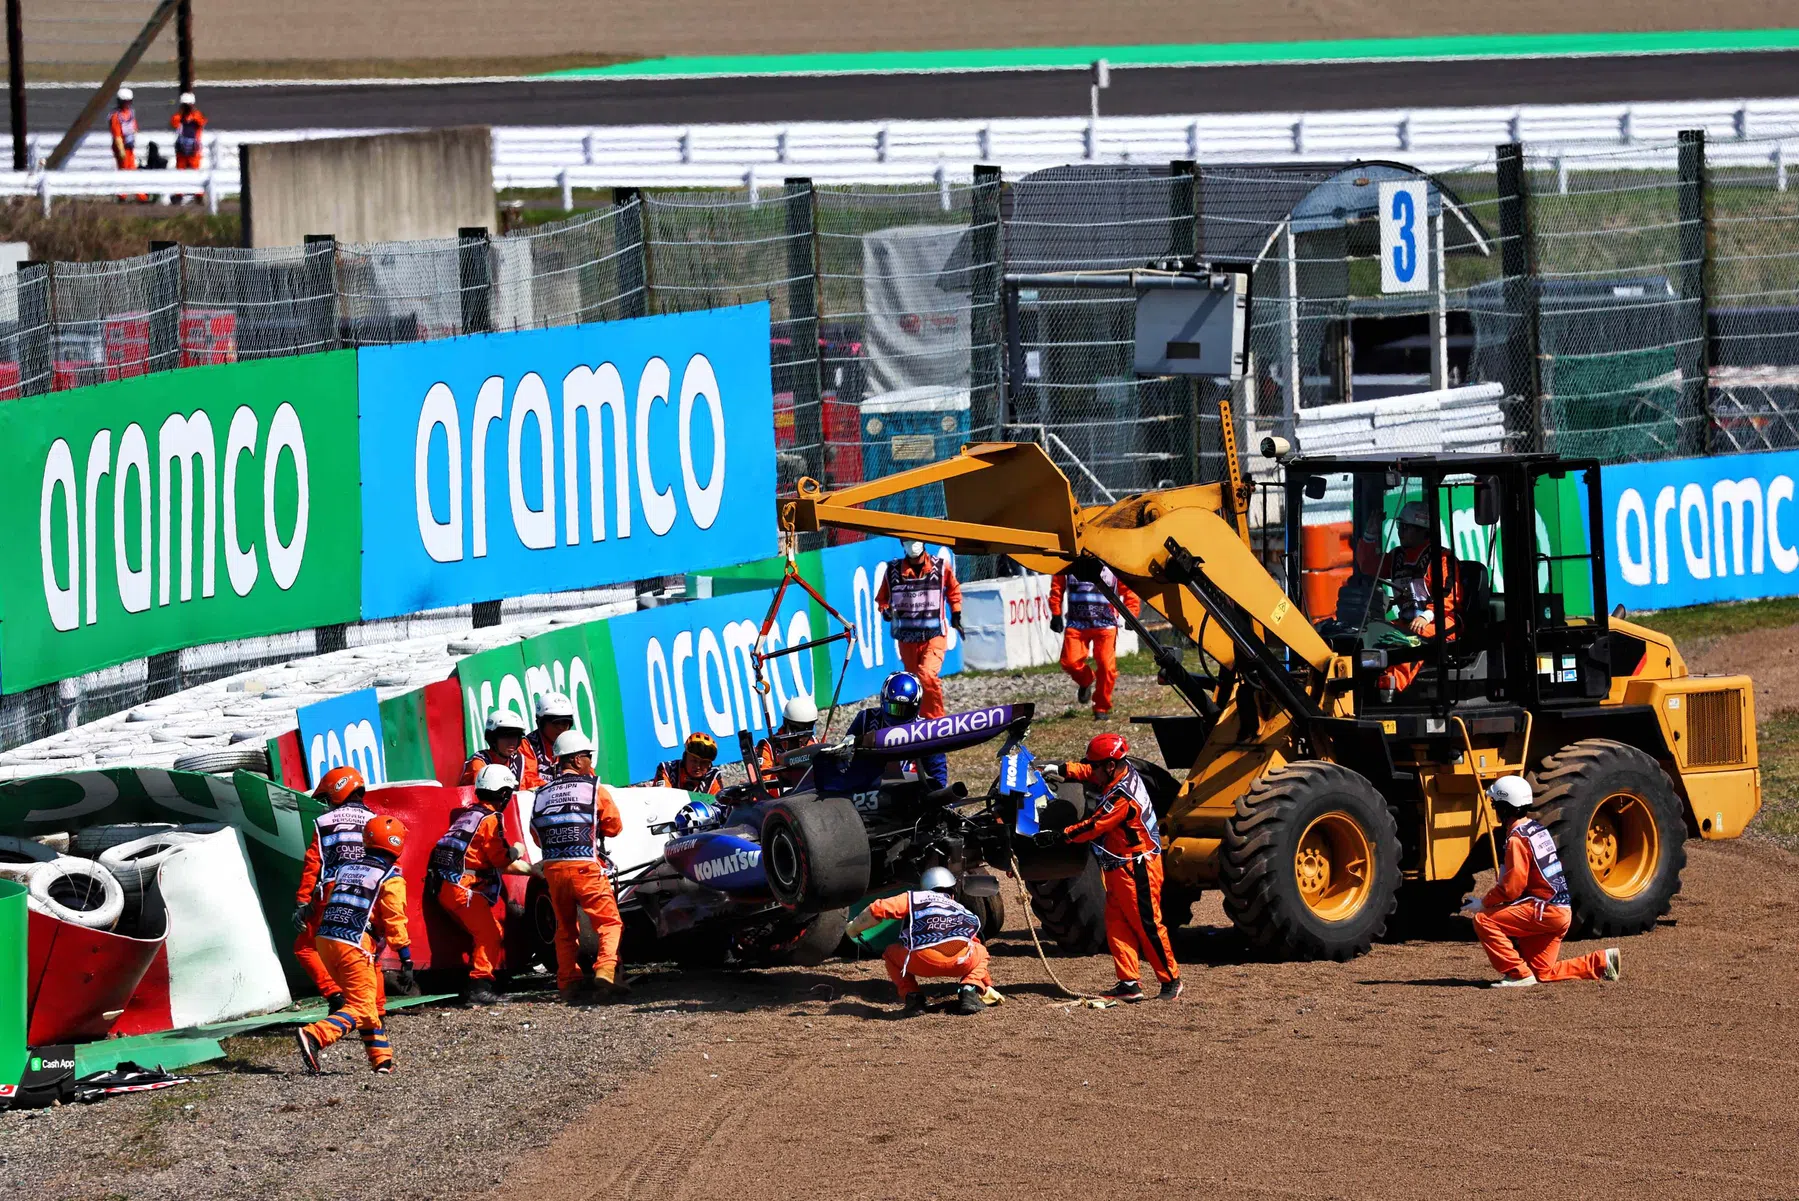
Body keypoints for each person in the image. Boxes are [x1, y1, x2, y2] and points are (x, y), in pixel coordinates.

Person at [1036, 733, 1182, 1002]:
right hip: (1119, 867)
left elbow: (1093, 826)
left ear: (1110, 766)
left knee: (1148, 925)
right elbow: (1090, 773)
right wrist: (1062, 769)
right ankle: (1129, 983)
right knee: (1117, 924)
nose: (1092, 770)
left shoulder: (1123, 797)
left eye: (1096, 765)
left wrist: (1060, 836)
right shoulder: (1115, 772)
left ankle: (1171, 980)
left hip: (1138, 868)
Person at [1465, 776, 1621, 989]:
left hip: (1544, 911)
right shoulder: (1537, 829)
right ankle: (1602, 963)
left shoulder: (1516, 839)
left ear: (1503, 808)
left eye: (1495, 805)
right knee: (1542, 972)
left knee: (1484, 921)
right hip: (1560, 912)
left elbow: (1512, 887)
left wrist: (1485, 903)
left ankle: (1517, 973)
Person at [295, 814, 414, 1075]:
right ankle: (315, 1035)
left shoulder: (346, 868)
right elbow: (395, 921)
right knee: (361, 1005)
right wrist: (406, 957)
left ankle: (382, 1061)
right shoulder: (391, 877)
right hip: (355, 943)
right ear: (397, 844)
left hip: (326, 940)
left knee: (366, 1003)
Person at [531, 729, 627, 1003]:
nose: (590, 762)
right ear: (574, 760)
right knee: (609, 922)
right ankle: (606, 968)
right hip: (585, 865)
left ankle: (568, 983)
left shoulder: (541, 793)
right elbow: (614, 826)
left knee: (565, 928)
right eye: (587, 756)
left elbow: (536, 835)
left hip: (552, 869)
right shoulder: (594, 788)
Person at [428, 764, 532, 1006]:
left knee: (488, 930)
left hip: (446, 885)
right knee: (490, 934)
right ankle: (478, 986)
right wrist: (516, 850)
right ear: (504, 794)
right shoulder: (491, 819)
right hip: (463, 889)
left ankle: (483, 981)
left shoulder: (470, 815)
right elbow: (499, 858)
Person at [846, 866, 995, 1015]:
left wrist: (854, 928)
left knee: (890, 954)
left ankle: (913, 998)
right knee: (980, 951)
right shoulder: (961, 909)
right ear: (953, 891)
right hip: (960, 962)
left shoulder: (914, 898)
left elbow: (879, 908)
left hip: (921, 961)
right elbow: (973, 942)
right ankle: (970, 990)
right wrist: (987, 985)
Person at [1350, 500, 1460, 693]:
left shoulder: (1441, 558)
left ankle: (1391, 687)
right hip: (1406, 620)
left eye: (1406, 528)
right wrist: (1369, 536)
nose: (1400, 532)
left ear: (1422, 530)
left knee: (1411, 640)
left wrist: (1426, 616)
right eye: (1400, 526)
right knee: (1372, 633)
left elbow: (1448, 596)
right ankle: (1360, 683)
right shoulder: (1397, 556)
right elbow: (1369, 566)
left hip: (1441, 621)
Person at [290, 766, 376, 1009]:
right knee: (368, 949)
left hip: (332, 893)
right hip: (368, 892)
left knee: (304, 948)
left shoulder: (324, 822)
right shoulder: (375, 819)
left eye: (327, 798)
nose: (327, 804)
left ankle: (336, 996)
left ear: (338, 792)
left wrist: (302, 901)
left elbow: (312, 863)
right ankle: (374, 1008)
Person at [876, 541, 962, 721]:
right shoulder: (892, 571)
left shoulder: (940, 567)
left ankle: (936, 720)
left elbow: (953, 588)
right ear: (901, 544)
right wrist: (886, 610)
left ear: (923, 543)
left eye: (914, 540)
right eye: (906, 541)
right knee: (915, 683)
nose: (911, 545)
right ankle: (919, 721)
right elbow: (882, 599)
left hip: (934, 634)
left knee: (927, 675)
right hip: (907, 639)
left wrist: (956, 612)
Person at [1048, 565, 1141, 720]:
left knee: (1106, 667)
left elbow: (1128, 589)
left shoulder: (1111, 561)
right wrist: (1056, 612)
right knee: (1069, 662)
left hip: (1106, 624)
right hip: (1076, 623)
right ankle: (1086, 680)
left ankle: (1101, 708)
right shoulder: (1069, 562)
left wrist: (1131, 613)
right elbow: (1057, 585)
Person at [837, 672, 947, 791]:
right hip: (867, 787)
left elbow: (937, 771)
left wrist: (941, 795)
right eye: (894, 708)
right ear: (884, 701)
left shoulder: (925, 730)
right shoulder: (866, 719)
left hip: (908, 790)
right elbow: (844, 750)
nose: (899, 714)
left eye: (906, 710)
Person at [753, 695, 821, 795]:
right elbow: (763, 783)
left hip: (809, 796)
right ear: (786, 724)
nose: (804, 734)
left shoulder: (813, 742)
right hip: (780, 801)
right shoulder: (768, 746)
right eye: (799, 728)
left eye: (808, 727)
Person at [461, 708, 543, 790]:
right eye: (506, 736)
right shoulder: (480, 762)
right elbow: (483, 793)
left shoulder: (518, 761)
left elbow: (531, 781)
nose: (512, 742)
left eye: (516, 736)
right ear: (492, 738)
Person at [652, 732, 723, 795]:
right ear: (685, 757)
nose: (698, 766)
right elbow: (662, 798)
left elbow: (719, 806)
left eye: (703, 762)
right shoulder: (667, 769)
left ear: (709, 765)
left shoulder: (713, 777)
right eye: (694, 761)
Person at [527, 692, 576, 779]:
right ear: (541, 723)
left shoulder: (575, 746)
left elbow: (589, 778)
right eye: (556, 723)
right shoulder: (528, 745)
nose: (561, 728)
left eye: (565, 723)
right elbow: (527, 778)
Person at [169, 91, 207, 170]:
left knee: (194, 168)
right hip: (181, 148)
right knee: (181, 168)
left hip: (194, 148)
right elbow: (174, 123)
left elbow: (202, 122)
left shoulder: (197, 115)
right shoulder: (178, 116)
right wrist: (182, 114)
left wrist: (191, 114)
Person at [108, 88, 138, 171]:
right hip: (121, 146)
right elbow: (116, 135)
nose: (127, 104)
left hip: (130, 145)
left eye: (128, 101)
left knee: (132, 168)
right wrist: (121, 150)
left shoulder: (131, 113)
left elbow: (134, 128)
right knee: (124, 168)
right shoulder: (115, 116)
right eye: (124, 102)